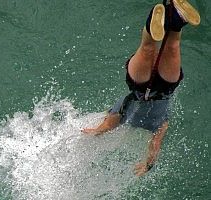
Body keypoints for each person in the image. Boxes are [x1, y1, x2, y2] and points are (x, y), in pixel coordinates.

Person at [81, 0, 200, 176]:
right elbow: (108, 126)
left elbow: (155, 145)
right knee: (147, 48)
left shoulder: (160, 123)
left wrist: (148, 165)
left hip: (165, 90)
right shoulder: (123, 113)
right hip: (139, 86)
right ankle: (162, 15)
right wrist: (96, 132)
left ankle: (177, 18)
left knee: (172, 45)